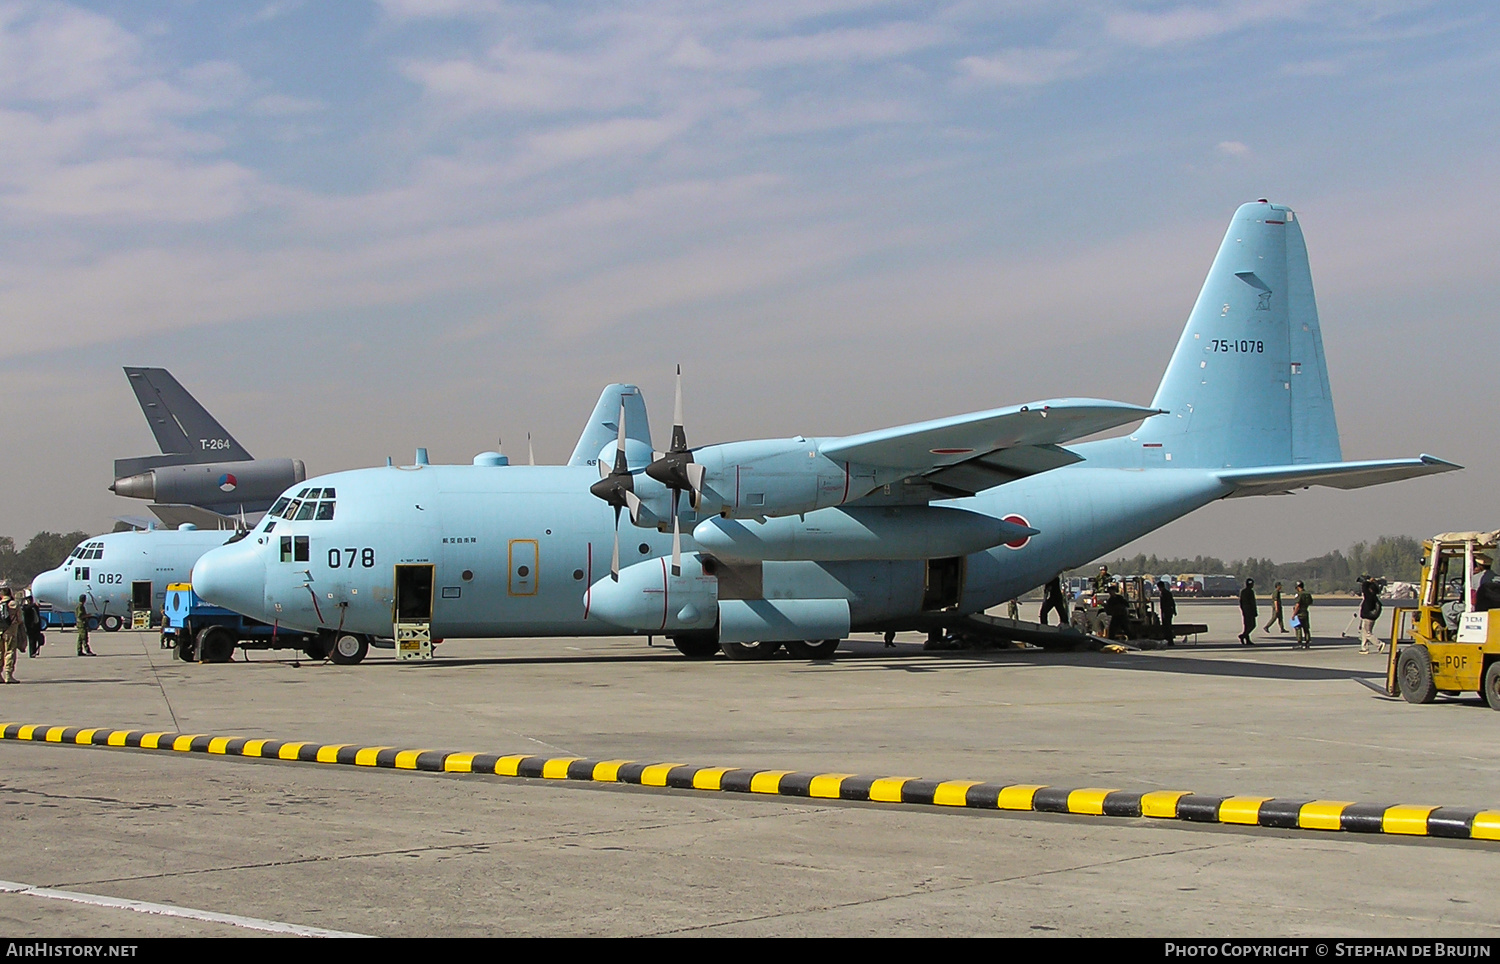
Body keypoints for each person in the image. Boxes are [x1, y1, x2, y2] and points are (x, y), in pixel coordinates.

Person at [1357, 575, 1384, 654]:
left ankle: (1379, 644)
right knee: (1364, 631)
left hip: (1368, 616)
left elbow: (1365, 586)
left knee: (1367, 632)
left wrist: (1367, 581)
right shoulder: (1374, 595)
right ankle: (1364, 647)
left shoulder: (1368, 595)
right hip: (1372, 616)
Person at [0, 588, 22, 683]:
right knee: (9, 652)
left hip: (0, 631)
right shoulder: (14, 604)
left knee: (0, 652)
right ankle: (8, 675)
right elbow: (20, 619)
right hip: (10, 632)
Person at [21, 591, 44, 658]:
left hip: (36, 626)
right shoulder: (26, 607)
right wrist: (33, 605)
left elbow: (37, 616)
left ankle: (35, 651)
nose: (29, 601)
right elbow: (25, 609)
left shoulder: (34, 607)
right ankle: (32, 653)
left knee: (38, 639)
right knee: (32, 640)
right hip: (30, 626)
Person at [1291, 581, 1313, 649]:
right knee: (1306, 629)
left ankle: (1299, 643)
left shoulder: (1299, 594)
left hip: (1299, 613)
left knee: (1298, 628)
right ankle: (1307, 642)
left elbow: (1298, 605)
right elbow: (1310, 602)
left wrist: (1294, 614)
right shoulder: (1307, 594)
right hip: (1305, 612)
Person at [1238, 578, 1258, 645]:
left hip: (1245, 610)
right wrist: (1255, 611)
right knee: (1252, 625)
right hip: (1250, 611)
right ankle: (1243, 636)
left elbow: (1241, 601)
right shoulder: (1250, 592)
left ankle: (1247, 639)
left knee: (1247, 625)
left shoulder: (1243, 591)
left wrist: (1243, 609)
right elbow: (1252, 603)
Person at [1157, 579, 1176, 646]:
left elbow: (1169, 603)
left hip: (1166, 611)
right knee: (1167, 626)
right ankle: (1169, 640)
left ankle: (1169, 641)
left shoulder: (1164, 593)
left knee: (1167, 627)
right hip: (1168, 611)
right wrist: (1174, 611)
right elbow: (1173, 603)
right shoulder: (1167, 593)